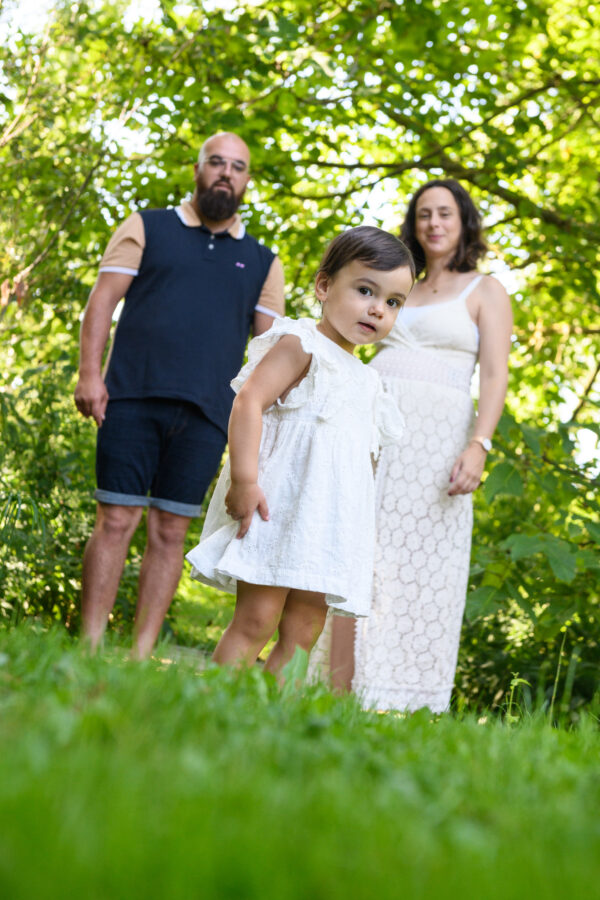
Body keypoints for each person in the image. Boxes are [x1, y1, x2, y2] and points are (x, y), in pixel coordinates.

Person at [74, 132, 285, 658]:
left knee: (170, 532)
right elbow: (102, 300)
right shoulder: (147, 226)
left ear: (246, 180)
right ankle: (89, 648)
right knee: (116, 520)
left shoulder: (263, 261)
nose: (225, 173)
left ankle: (140, 656)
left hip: (208, 416)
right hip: (131, 396)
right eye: (216, 162)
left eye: (237, 166)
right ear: (198, 169)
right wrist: (89, 374)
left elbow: (271, 353)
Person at [315, 179, 513, 712]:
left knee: (420, 565)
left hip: (437, 442)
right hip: (373, 427)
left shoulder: (486, 290)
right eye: (424, 213)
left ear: (464, 222)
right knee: (356, 546)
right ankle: (335, 687)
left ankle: (399, 694)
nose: (433, 223)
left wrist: (479, 444)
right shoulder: (399, 285)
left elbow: (495, 374)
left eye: (445, 213)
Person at [185, 226, 415, 673]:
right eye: (365, 290)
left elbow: (360, 461)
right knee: (257, 618)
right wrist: (244, 479)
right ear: (324, 286)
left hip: (328, 527)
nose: (377, 308)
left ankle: (276, 711)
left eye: (393, 302)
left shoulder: (370, 382)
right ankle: (213, 701)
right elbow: (249, 401)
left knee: (305, 631)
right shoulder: (302, 344)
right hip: (279, 510)